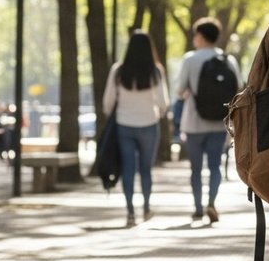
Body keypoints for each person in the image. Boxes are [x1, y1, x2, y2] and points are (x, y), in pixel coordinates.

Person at [173, 17, 240, 223]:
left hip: (194, 122)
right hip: (218, 123)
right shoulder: (228, 60)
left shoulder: (190, 59)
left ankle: (198, 208)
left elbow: (179, 90)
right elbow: (237, 89)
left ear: (200, 36)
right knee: (215, 166)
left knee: (195, 168)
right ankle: (212, 202)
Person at [103, 29, 170, 227]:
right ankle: (147, 207)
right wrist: (159, 113)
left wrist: (112, 114)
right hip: (149, 124)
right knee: (146, 169)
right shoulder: (155, 71)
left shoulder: (118, 70)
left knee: (128, 169)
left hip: (124, 124)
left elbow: (108, 101)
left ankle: (130, 212)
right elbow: (163, 102)